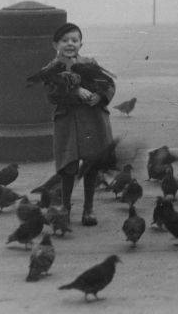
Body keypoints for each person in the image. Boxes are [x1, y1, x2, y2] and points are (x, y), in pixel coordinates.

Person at [39, 22, 116, 226]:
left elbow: (108, 84)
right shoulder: (52, 68)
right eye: (65, 40)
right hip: (68, 122)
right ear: (55, 44)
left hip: (92, 120)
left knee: (91, 165)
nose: (70, 44)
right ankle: (66, 206)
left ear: (81, 43)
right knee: (68, 167)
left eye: (74, 40)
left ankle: (88, 208)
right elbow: (52, 94)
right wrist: (75, 91)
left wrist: (99, 96)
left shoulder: (89, 62)